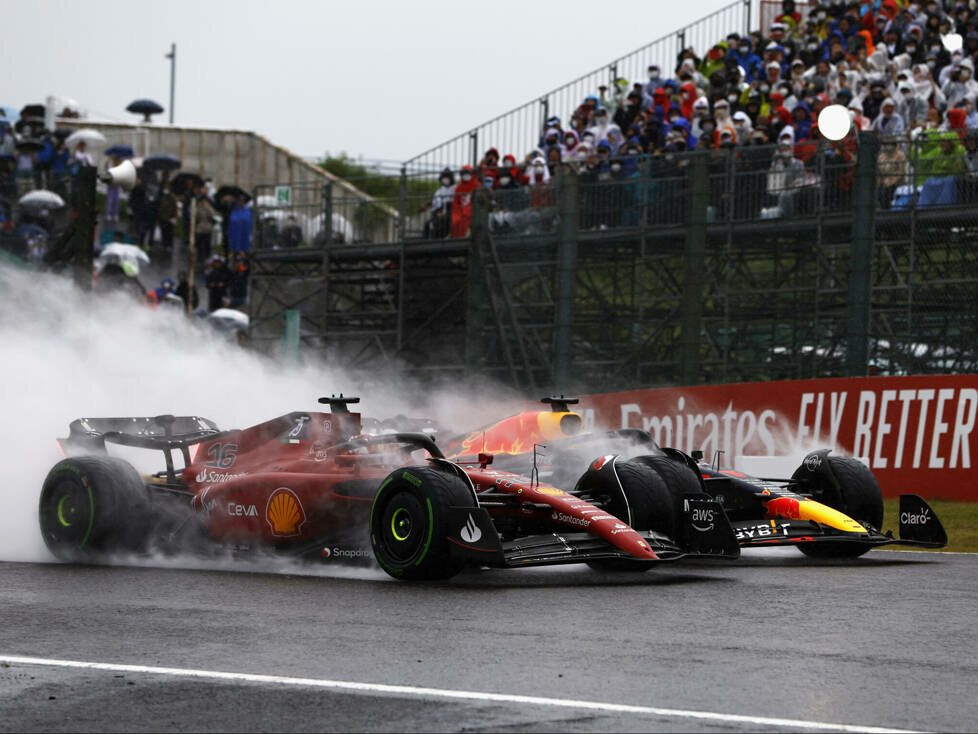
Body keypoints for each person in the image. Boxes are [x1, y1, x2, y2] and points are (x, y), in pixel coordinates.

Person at [423, 168, 454, 239]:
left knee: (437, 224)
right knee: (427, 224)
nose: (445, 179)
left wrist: (445, 213)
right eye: (444, 177)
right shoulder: (439, 191)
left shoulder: (454, 189)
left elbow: (452, 204)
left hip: (449, 214)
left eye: (447, 177)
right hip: (438, 214)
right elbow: (436, 203)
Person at [449, 165, 479, 238]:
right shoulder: (458, 188)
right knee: (456, 220)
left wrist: (467, 211)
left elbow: (477, 201)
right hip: (460, 212)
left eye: (468, 173)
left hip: (472, 212)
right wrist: (458, 213)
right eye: (464, 173)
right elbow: (456, 203)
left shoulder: (477, 185)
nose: (466, 175)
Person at [194, 191, 216, 261]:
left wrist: (207, 207)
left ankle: (207, 258)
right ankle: (199, 258)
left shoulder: (209, 208)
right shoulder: (197, 208)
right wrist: (198, 207)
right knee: (199, 245)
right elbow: (195, 217)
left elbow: (212, 215)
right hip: (199, 229)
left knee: (207, 245)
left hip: (207, 229)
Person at [157, 184, 178, 253]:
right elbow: (160, 207)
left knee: (169, 233)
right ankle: (164, 244)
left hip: (170, 218)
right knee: (164, 232)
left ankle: (169, 245)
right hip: (163, 218)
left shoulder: (172, 198)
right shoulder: (162, 197)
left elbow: (175, 208)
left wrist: (174, 216)